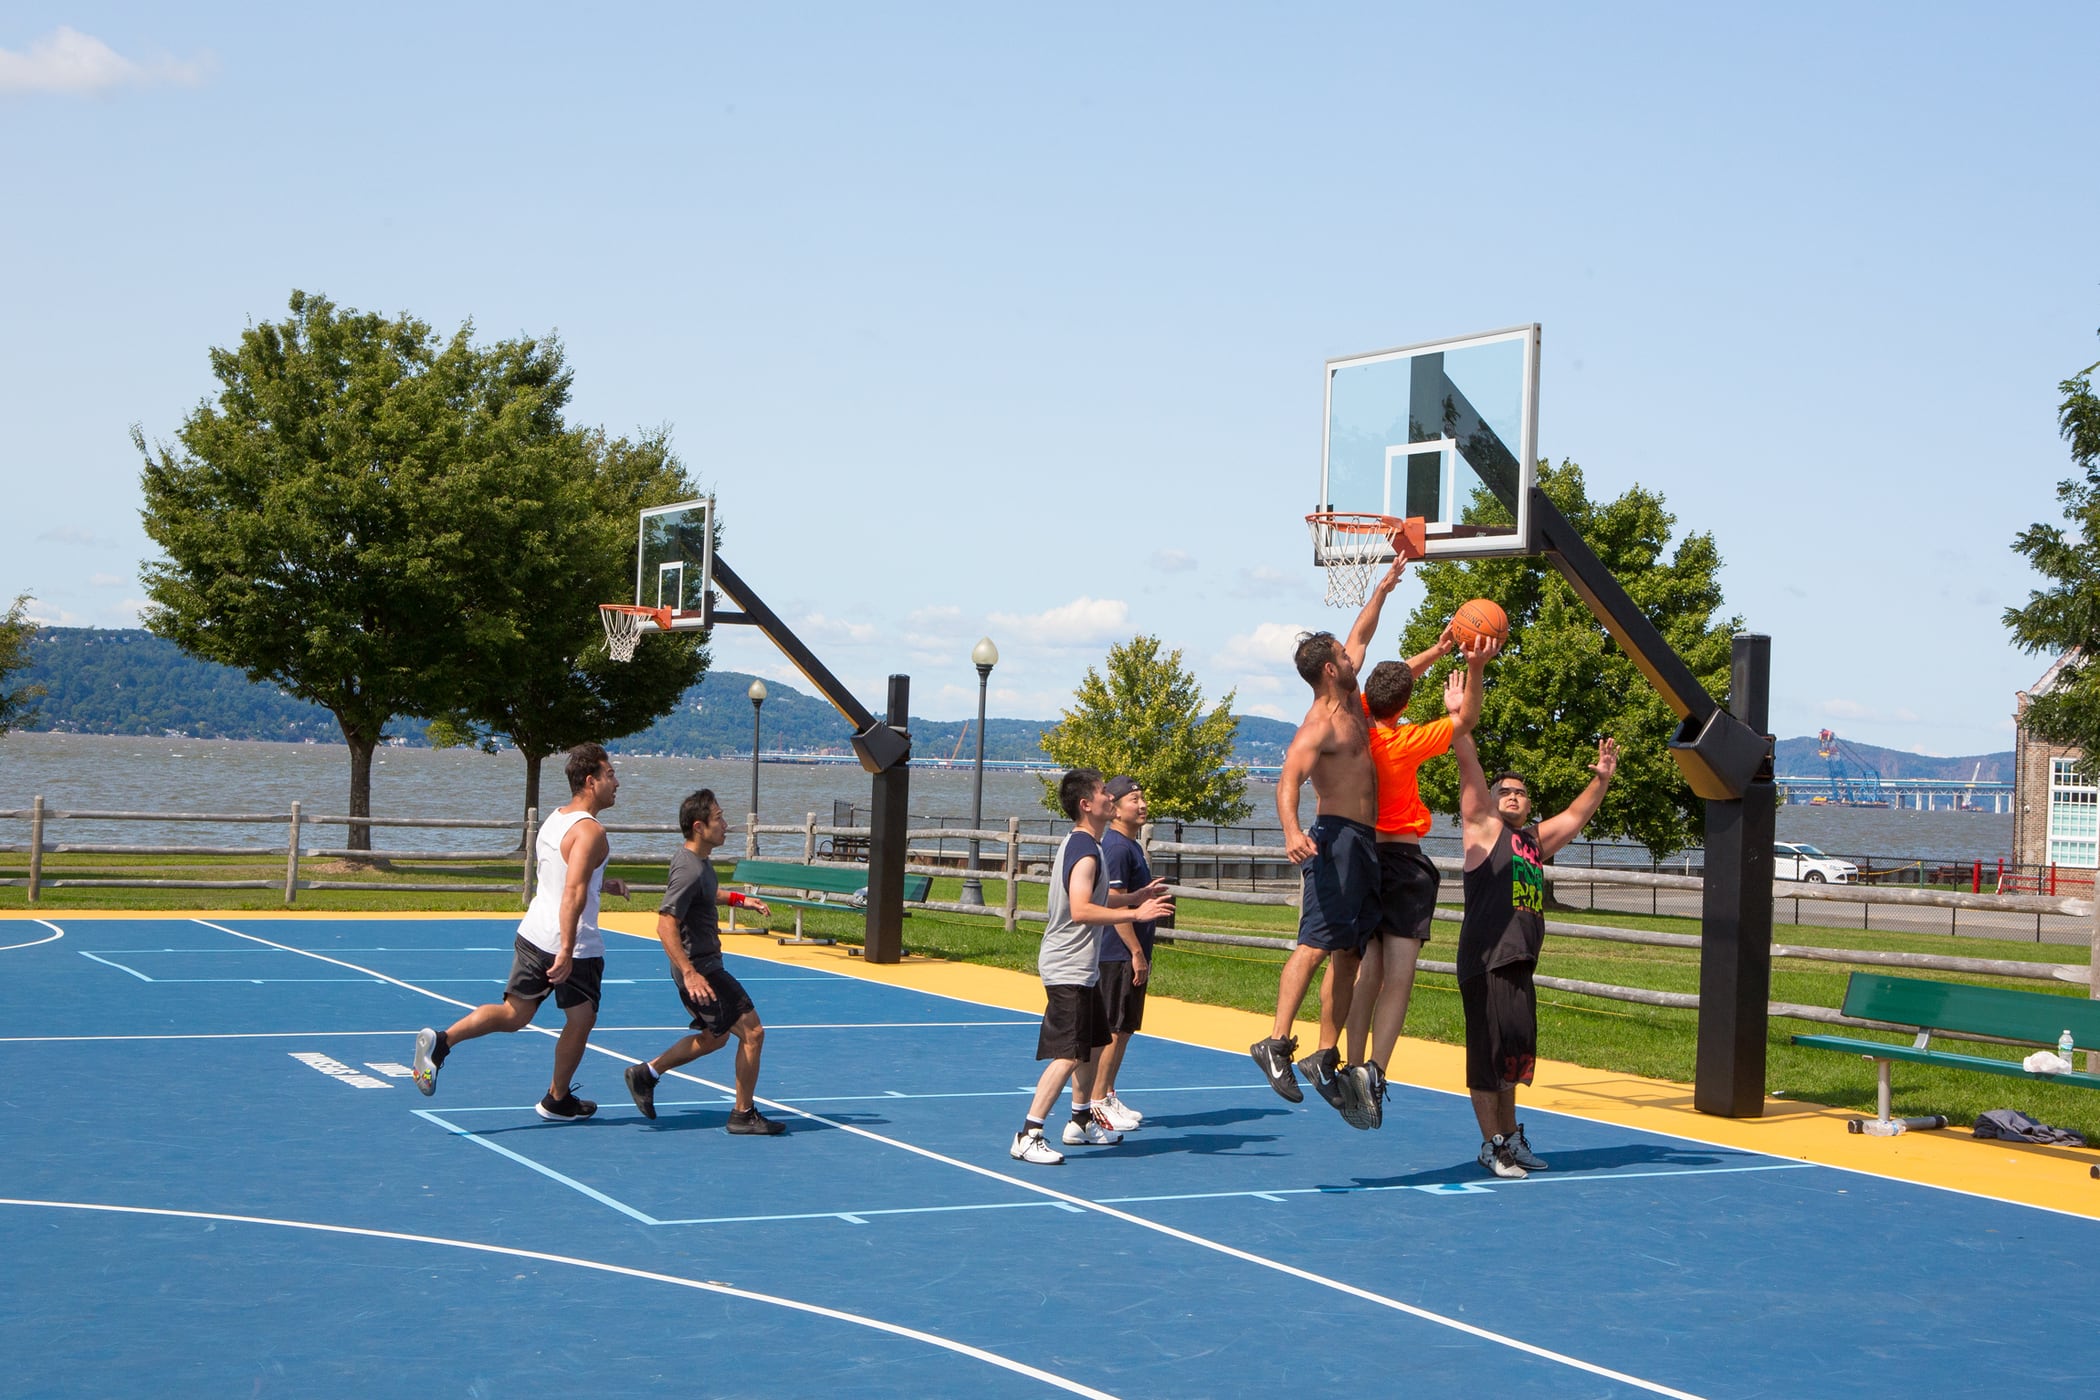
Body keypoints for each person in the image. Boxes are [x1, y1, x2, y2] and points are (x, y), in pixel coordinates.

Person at [1250, 554, 1421, 1116]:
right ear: (1329, 669)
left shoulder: (1351, 701)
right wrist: (1292, 830)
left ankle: (1324, 1053)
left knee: (1349, 950)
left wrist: (1384, 587)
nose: (1353, 656)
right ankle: (1275, 1043)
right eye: (1345, 657)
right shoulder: (1318, 723)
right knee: (1316, 942)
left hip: (1365, 844)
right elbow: (1288, 780)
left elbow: (1363, 628)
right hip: (1335, 838)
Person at [1337, 561, 1500, 1128]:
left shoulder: (1356, 724)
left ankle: (1350, 1063)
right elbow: (1467, 718)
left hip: (1361, 856)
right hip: (1402, 859)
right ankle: (1375, 1070)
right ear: (1405, 705)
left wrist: (1430, 653)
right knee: (1399, 971)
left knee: (1367, 970)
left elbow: (1389, 680)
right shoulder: (1408, 742)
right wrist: (1469, 668)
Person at [411, 743, 628, 1121]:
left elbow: (562, 875)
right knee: (582, 1019)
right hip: (572, 947)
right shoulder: (591, 831)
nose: (617, 783)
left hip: (533, 933)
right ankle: (557, 1099)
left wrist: (602, 884)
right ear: (591, 781)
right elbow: (573, 892)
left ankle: (442, 1042)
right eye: (611, 776)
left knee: (514, 1014)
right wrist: (564, 951)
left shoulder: (557, 818)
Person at [1451, 728, 1617, 1177]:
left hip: (1521, 962)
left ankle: (1511, 1139)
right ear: (1490, 798)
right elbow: (1469, 769)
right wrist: (1459, 724)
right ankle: (1493, 1146)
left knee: (1513, 1060)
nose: (1513, 796)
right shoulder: (1483, 832)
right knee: (1488, 1061)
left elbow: (1575, 817)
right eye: (1504, 791)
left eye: (1521, 793)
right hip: (1486, 963)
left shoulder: (1533, 843)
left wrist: (1600, 779)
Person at [1010, 768, 1174, 1166]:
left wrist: (1136, 895)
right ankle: (1028, 1133)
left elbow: (1101, 897)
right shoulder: (1084, 850)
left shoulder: (1093, 846)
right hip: (1067, 963)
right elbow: (1081, 909)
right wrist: (1138, 914)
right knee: (1068, 1053)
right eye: (1103, 793)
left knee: (1094, 1045)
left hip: (1085, 966)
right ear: (1088, 805)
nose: (1109, 798)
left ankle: (1081, 1122)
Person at [622, 788, 784, 1135]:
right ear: (699, 826)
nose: (726, 824)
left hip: (704, 966)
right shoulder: (689, 870)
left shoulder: (700, 864)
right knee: (753, 1032)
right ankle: (743, 1114)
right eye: (720, 817)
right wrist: (690, 973)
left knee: (716, 1037)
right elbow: (666, 922)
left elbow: (707, 895)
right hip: (702, 969)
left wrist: (741, 900)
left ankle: (646, 1074)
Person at [1092, 775, 1158, 1132]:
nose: (1142, 804)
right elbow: (1113, 903)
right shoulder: (1116, 847)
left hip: (1130, 952)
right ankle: (1097, 1100)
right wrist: (1136, 951)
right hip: (1116, 954)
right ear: (1115, 808)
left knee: (1125, 1028)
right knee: (1114, 1029)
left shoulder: (1131, 845)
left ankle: (1108, 1093)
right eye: (1134, 799)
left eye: (1142, 797)